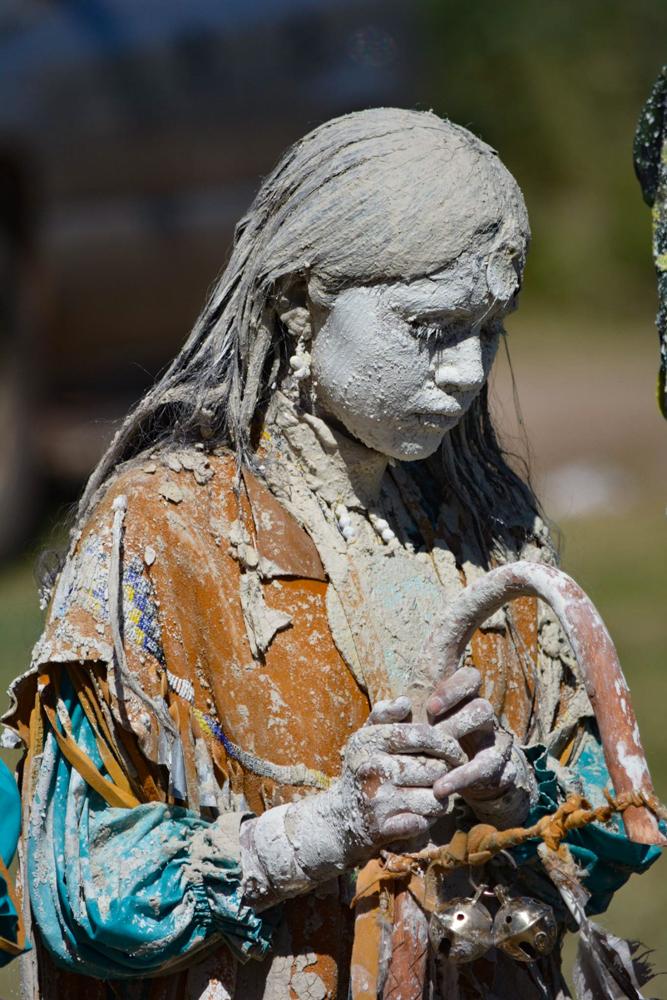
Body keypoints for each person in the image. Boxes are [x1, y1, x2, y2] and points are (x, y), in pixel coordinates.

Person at [4, 109, 659, 1000]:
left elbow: (611, 825)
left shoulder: (489, 521)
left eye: (489, 327)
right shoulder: (167, 530)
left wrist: (518, 794)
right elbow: (74, 887)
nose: (467, 371)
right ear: (296, 304)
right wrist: (320, 831)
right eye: (427, 327)